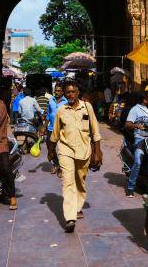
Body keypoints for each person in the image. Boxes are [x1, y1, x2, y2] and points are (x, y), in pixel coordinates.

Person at [48, 81, 102, 233]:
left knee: (80, 180)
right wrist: (51, 151)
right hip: (65, 150)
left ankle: (78, 206)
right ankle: (70, 217)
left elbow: (95, 131)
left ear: (78, 92)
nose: (70, 95)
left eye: (73, 92)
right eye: (67, 92)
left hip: (84, 150)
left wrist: (97, 152)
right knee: (68, 182)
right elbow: (55, 134)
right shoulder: (61, 110)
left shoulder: (87, 107)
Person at [124, 92, 148, 197]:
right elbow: (127, 125)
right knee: (137, 163)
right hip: (140, 139)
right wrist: (137, 126)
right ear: (144, 100)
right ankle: (130, 188)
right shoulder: (135, 109)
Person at [46, 83, 67, 176]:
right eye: (56, 90)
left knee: (62, 149)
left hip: (62, 129)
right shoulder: (50, 100)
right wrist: (43, 126)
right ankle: (56, 163)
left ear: (62, 92)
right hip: (51, 128)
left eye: (59, 91)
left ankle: (62, 168)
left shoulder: (66, 102)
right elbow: (48, 114)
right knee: (50, 147)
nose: (57, 92)